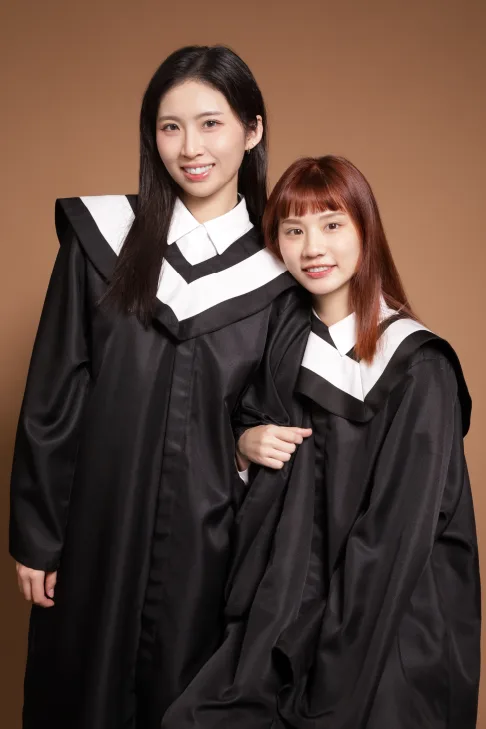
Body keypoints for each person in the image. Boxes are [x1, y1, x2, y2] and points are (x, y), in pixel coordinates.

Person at [9, 45, 298, 729]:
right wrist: (38, 536)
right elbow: (54, 392)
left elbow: (266, 414)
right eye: (170, 127)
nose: (190, 147)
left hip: (207, 544)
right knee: (79, 698)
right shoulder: (99, 241)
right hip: (94, 532)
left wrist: (243, 444)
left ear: (252, 130)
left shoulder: (280, 276)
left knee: (183, 701)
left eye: (210, 123)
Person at [158, 156, 480, 729]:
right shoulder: (277, 350)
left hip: (389, 628)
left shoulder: (418, 367)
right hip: (281, 605)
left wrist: (331, 660)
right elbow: (229, 472)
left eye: (332, 224)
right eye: (293, 229)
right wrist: (242, 446)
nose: (313, 248)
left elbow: (395, 537)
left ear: (365, 231)